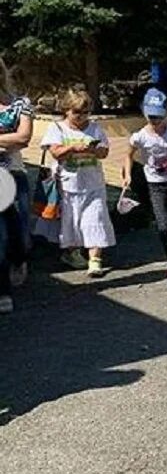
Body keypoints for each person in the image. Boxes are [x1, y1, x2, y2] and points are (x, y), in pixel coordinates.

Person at [39, 90, 116, 277]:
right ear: (66, 110)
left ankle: (95, 260)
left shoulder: (95, 128)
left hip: (93, 183)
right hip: (67, 185)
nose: (81, 117)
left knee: (95, 218)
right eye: (76, 113)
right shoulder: (56, 128)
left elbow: (104, 152)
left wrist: (93, 149)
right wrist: (74, 147)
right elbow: (56, 153)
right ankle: (72, 253)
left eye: (85, 112)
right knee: (71, 222)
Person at [123, 89, 167, 287]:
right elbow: (128, 155)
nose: (155, 120)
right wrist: (127, 174)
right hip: (155, 185)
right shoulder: (140, 137)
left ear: (166, 114)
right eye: (151, 116)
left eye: (158, 117)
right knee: (162, 226)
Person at [0, 78, 34, 311]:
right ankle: (3, 291)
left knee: (20, 234)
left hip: (14, 173)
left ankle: (19, 259)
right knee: (0, 236)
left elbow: (23, 138)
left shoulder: (20, 103)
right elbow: (15, 138)